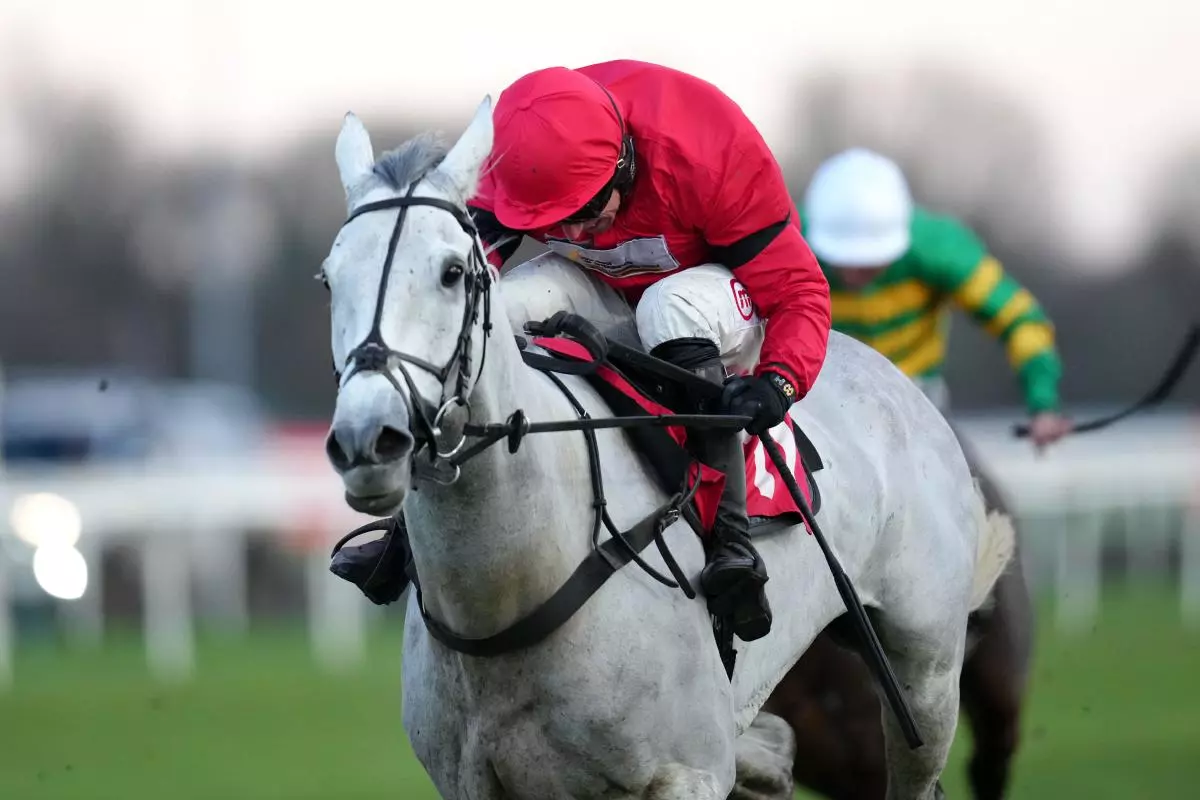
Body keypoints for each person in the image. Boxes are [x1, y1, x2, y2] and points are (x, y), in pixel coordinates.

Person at [332, 60, 833, 642]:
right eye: (557, 222)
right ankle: (409, 530)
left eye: (587, 212)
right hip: (614, 291)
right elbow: (458, 285)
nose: (574, 237)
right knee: (497, 306)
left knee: (666, 308)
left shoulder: (712, 152)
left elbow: (799, 290)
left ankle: (730, 540)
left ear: (624, 163)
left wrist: (779, 381)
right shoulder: (513, 158)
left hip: (713, 290)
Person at [800, 147, 1072, 450]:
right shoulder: (782, 245)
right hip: (814, 411)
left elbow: (1021, 321)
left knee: (983, 497)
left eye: (870, 264)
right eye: (843, 260)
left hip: (920, 411)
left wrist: (1043, 403)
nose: (854, 275)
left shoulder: (941, 250)